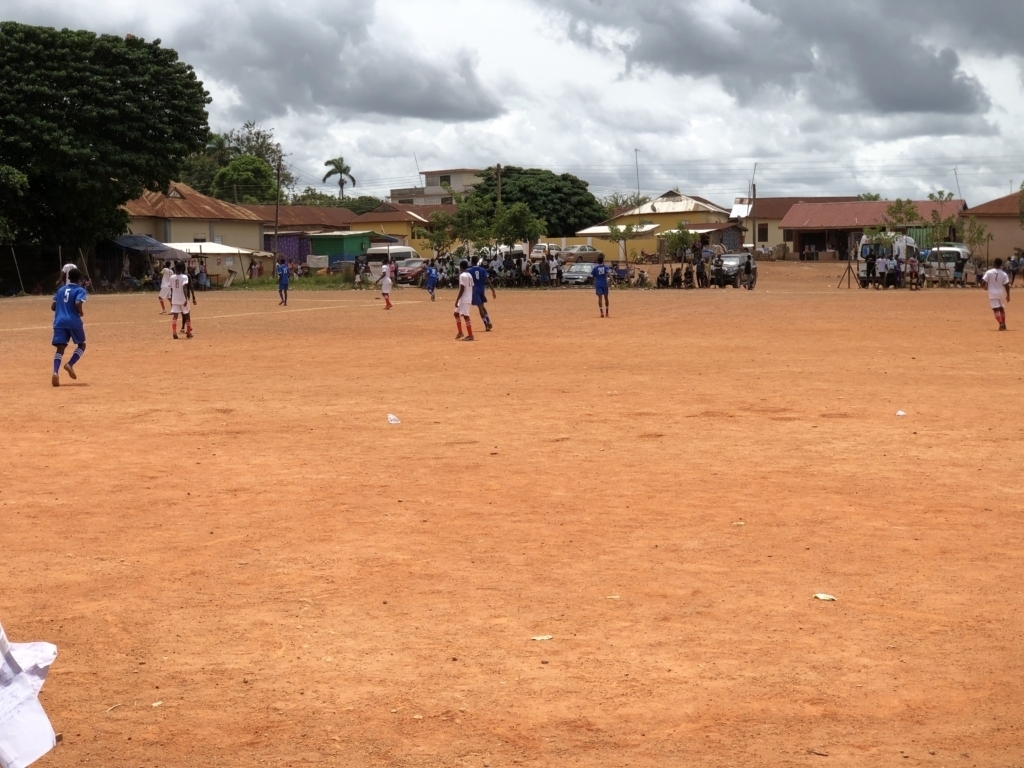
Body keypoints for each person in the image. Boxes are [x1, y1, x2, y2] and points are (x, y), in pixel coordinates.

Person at [50, 267, 87, 387]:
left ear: (68, 278)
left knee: (60, 349)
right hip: (73, 321)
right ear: (79, 279)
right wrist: (80, 312)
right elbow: (78, 302)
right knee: (82, 345)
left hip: (59, 322)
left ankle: (55, 372)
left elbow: (53, 307)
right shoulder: (80, 290)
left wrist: (62, 307)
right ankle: (70, 364)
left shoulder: (60, 290)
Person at [169, 261, 195, 339]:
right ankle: (188, 333)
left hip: (175, 298)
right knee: (187, 315)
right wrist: (186, 298)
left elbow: (171, 288)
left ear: (175, 268)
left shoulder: (172, 277)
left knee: (175, 316)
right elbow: (184, 287)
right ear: (183, 268)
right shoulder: (184, 277)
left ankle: (174, 332)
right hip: (182, 298)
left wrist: (171, 298)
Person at [468, 256, 496, 331]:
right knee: (483, 307)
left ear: (471, 261)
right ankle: (488, 321)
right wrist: (493, 291)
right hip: (481, 290)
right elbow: (488, 281)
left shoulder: (469, 270)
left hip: (475, 291)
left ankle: (486, 324)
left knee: (480, 308)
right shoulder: (482, 270)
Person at [982, 258, 1010, 331]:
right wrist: (1008, 295)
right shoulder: (1004, 274)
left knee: (995, 309)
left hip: (992, 293)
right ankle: (1004, 323)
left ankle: (1000, 323)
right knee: (1001, 308)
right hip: (1001, 293)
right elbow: (1007, 285)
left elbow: (983, 283)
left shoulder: (989, 272)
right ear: (1001, 265)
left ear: (994, 263)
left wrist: (984, 287)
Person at [454, 259, 475, 341]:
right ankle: (460, 332)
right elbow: (473, 287)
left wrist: (457, 299)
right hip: (466, 298)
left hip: (464, 298)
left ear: (460, 267)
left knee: (466, 316)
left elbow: (462, 288)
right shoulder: (469, 275)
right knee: (456, 313)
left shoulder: (462, 276)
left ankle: (470, 335)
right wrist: (471, 295)